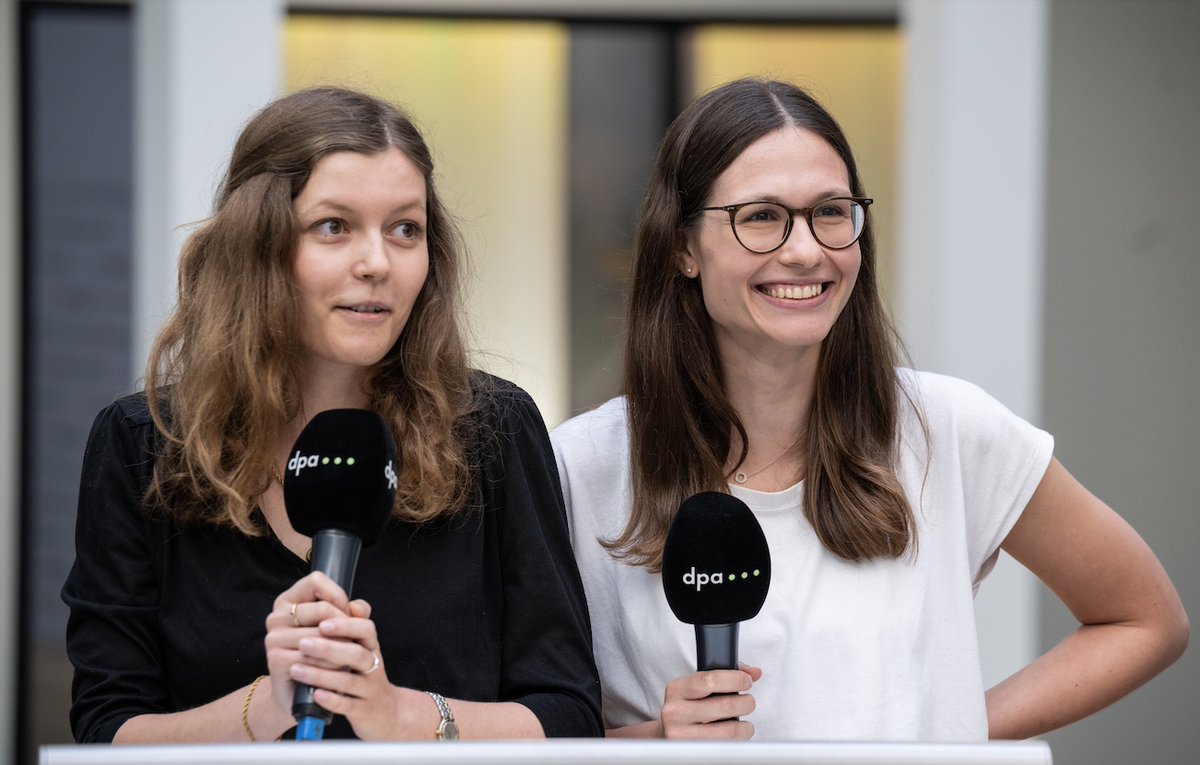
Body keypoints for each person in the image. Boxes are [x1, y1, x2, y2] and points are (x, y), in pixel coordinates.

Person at [550, 77, 1188, 741]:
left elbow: (1145, 619)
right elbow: (530, 730)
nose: (805, 249)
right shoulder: (580, 466)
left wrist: (951, 734)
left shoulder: (946, 429)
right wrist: (655, 740)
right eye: (762, 216)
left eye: (831, 212)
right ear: (682, 246)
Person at [63, 86, 602, 744]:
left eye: (405, 229)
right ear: (256, 246)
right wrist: (266, 706)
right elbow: (103, 730)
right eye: (333, 227)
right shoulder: (143, 443)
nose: (376, 262)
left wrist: (401, 715)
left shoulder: (494, 428)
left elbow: (569, 714)